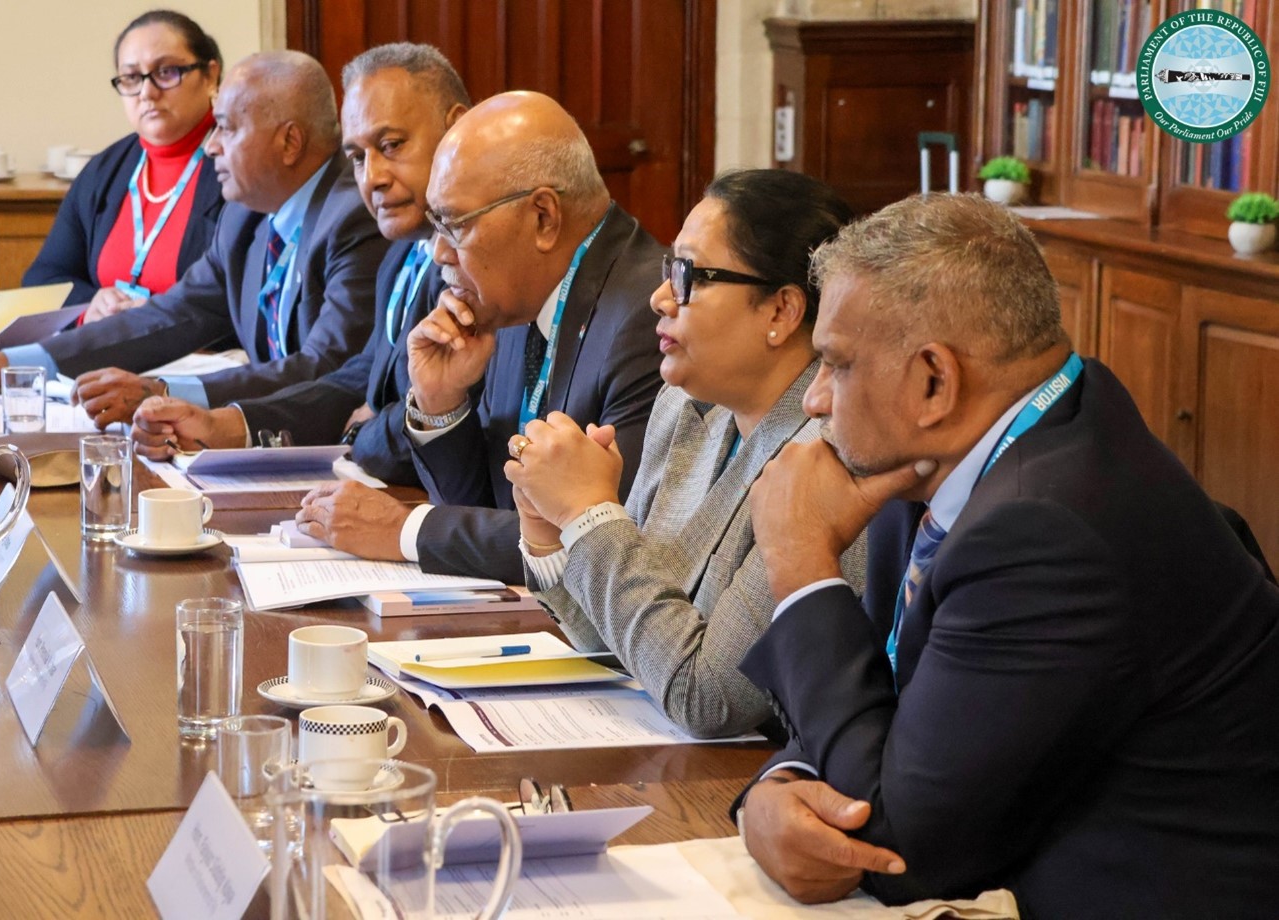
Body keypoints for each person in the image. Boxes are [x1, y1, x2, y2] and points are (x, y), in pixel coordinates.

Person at [735, 193, 1279, 916]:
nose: (815, 399)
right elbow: (876, 701)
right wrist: (777, 787)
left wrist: (801, 566)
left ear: (934, 380)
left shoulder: (1047, 531)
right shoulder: (962, 451)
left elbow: (899, 847)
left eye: (835, 363)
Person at [505, 170, 866, 738]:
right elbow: (624, 639)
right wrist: (552, 533)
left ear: (781, 311)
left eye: (689, 275)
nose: (659, 297)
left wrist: (591, 516)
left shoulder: (832, 457)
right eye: (667, 268)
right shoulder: (685, 407)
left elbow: (708, 698)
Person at [294, 91, 664, 585]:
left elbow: (603, 540)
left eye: (455, 225)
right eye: (435, 225)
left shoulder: (649, 316)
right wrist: (441, 403)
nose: (439, 253)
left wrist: (405, 530)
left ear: (543, 217)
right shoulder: (513, 298)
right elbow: (483, 502)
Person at [0, 50, 386, 428]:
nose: (211, 146)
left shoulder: (356, 216)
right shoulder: (245, 215)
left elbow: (326, 368)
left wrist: (163, 392)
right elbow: (171, 317)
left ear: (290, 142)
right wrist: (9, 364)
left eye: (225, 128)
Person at [130, 42, 469, 486]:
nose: (373, 178)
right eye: (358, 157)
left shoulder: (478, 266)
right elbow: (359, 380)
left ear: (456, 129)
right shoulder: (402, 252)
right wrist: (226, 425)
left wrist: (360, 432)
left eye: (391, 145)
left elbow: (423, 422)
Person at [24, 10, 227, 323]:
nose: (147, 93)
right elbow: (43, 278)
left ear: (210, 76)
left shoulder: (239, 165)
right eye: (131, 78)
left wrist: (161, 318)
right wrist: (90, 306)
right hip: (107, 348)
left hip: (199, 351)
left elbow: (242, 296)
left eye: (166, 72)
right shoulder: (102, 171)